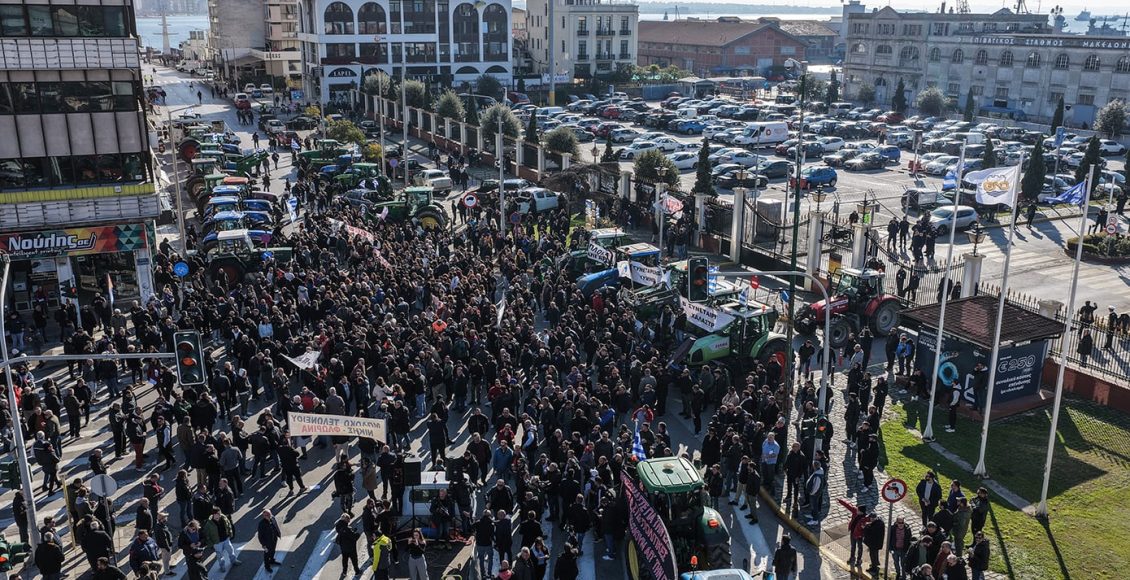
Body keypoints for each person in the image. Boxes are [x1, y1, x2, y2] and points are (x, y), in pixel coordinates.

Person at [257, 509, 282, 574]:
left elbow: (276, 526)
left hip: (274, 539)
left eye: (269, 514)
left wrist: (278, 533)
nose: (268, 516)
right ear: (263, 516)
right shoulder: (261, 524)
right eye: (266, 515)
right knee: (267, 554)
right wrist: (263, 545)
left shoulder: (272, 518)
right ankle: (267, 566)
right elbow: (260, 536)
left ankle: (272, 560)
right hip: (267, 543)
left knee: (273, 551)